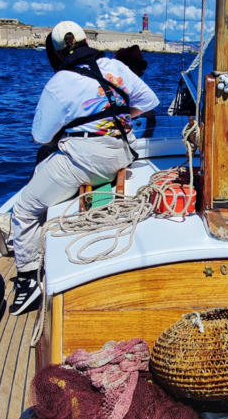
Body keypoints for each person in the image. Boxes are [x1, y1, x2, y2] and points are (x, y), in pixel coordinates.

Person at [8, 20, 159, 315]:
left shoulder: (59, 83)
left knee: (24, 209)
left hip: (85, 163)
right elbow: (149, 100)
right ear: (85, 41)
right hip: (122, 155)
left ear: (58, 52)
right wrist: (117, 117)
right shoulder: (115, 67)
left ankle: (27, 283)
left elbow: (40, 137)